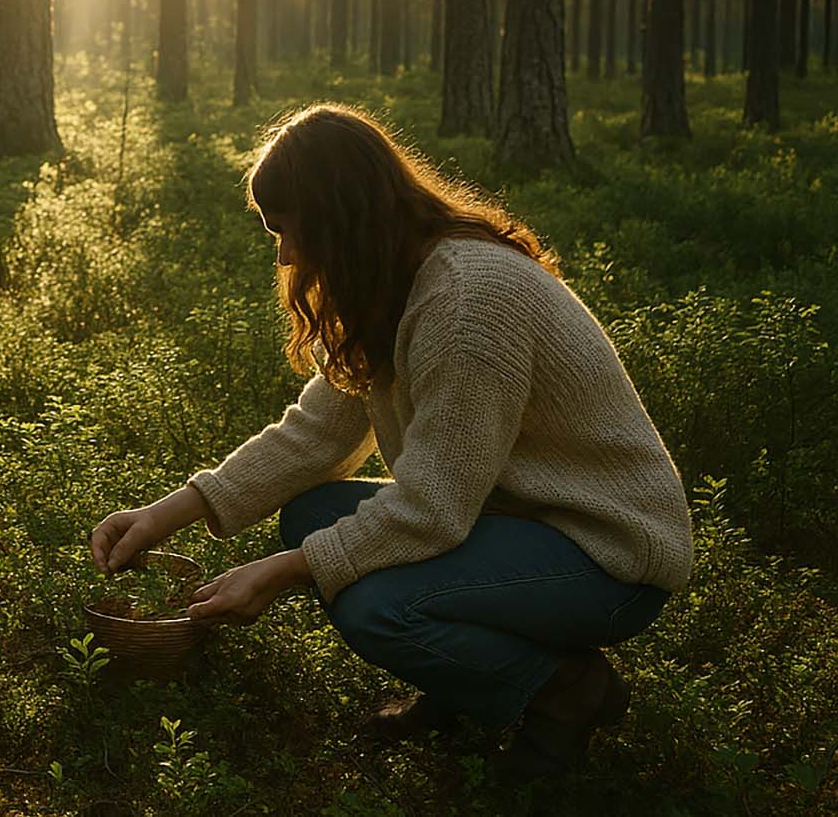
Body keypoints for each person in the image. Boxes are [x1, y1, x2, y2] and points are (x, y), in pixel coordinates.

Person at [90, 104, 692, 780]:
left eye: (288, 229)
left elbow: (434, 508)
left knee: (377, 605)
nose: (285, 253)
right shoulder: (394, 281)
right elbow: (315, 435)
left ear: (340, 215)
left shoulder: (467, 302)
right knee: (312, 517)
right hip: (515, 520)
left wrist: (285, 571)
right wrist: (164, 513)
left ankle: (567, 691)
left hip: (605, 553)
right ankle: (464, 685)